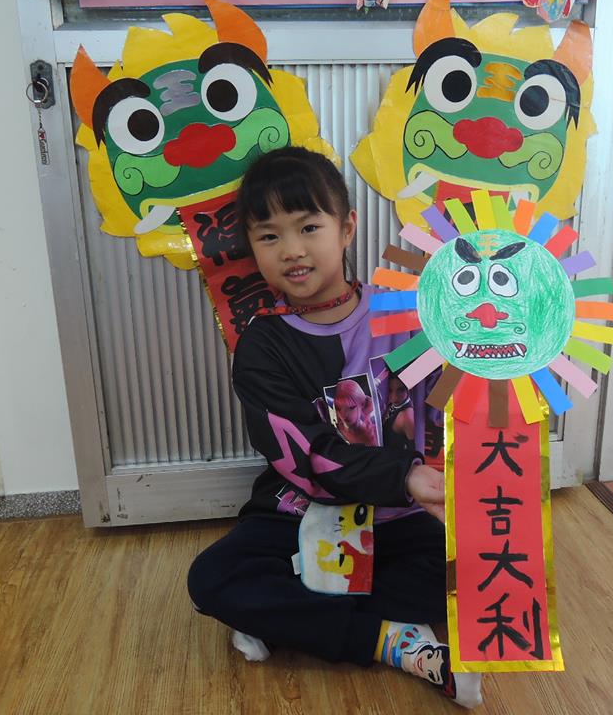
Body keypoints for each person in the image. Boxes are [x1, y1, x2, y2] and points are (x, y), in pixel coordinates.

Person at [187, 147, 482, 708]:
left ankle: (291, 618)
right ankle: (396, 642)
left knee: (481, 568)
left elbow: (455, 402)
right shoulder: (262, 346)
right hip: (302, 516)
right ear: (251, 247)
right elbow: (308, 459)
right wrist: (408, 475)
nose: (292, 250)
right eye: (269, 236)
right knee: (215, 578)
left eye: (309, 227)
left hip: (404, 519)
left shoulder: (408, 314)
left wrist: (493, 344)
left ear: (346, 229)